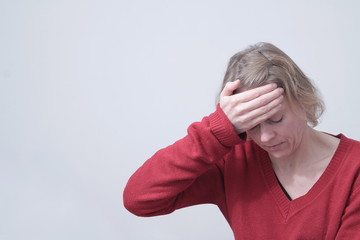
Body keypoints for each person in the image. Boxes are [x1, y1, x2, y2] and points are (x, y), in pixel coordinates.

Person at [123, 42, 360, 239]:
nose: (265, 137)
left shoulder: (354, 169)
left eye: (276, 119)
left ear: (304, 100)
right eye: (250, 125)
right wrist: (215, 130)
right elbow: (139, 199)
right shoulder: (233, 161)